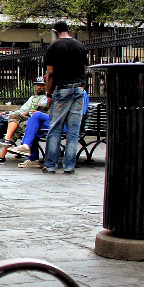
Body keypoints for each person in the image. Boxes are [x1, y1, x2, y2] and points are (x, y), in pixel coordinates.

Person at [42, 21, 89, 174]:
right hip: (78, 89)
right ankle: (69, 166)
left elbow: (50, 72)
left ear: (55, 31)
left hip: (61, 89)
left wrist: (49, 94)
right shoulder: (80, 46)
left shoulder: (54, 46)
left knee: (55, 128)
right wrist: (82, 86)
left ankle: (50, 165)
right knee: (73, 131)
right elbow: (85, 70)